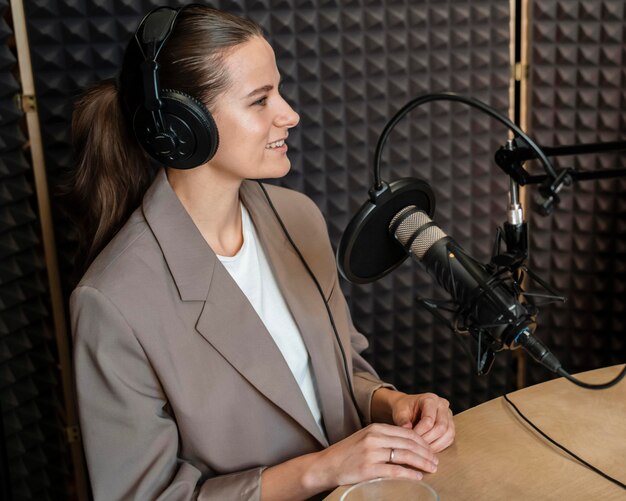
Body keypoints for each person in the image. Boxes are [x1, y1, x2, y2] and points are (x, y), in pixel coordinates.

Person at [69, 5, 455, 500]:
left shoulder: (298, 218)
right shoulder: (113, 303)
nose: (289, 114)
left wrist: (393, 403)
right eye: (259, 100)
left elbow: (338, 375)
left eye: (280, 90)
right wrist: (316, 471)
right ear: (182, 127)